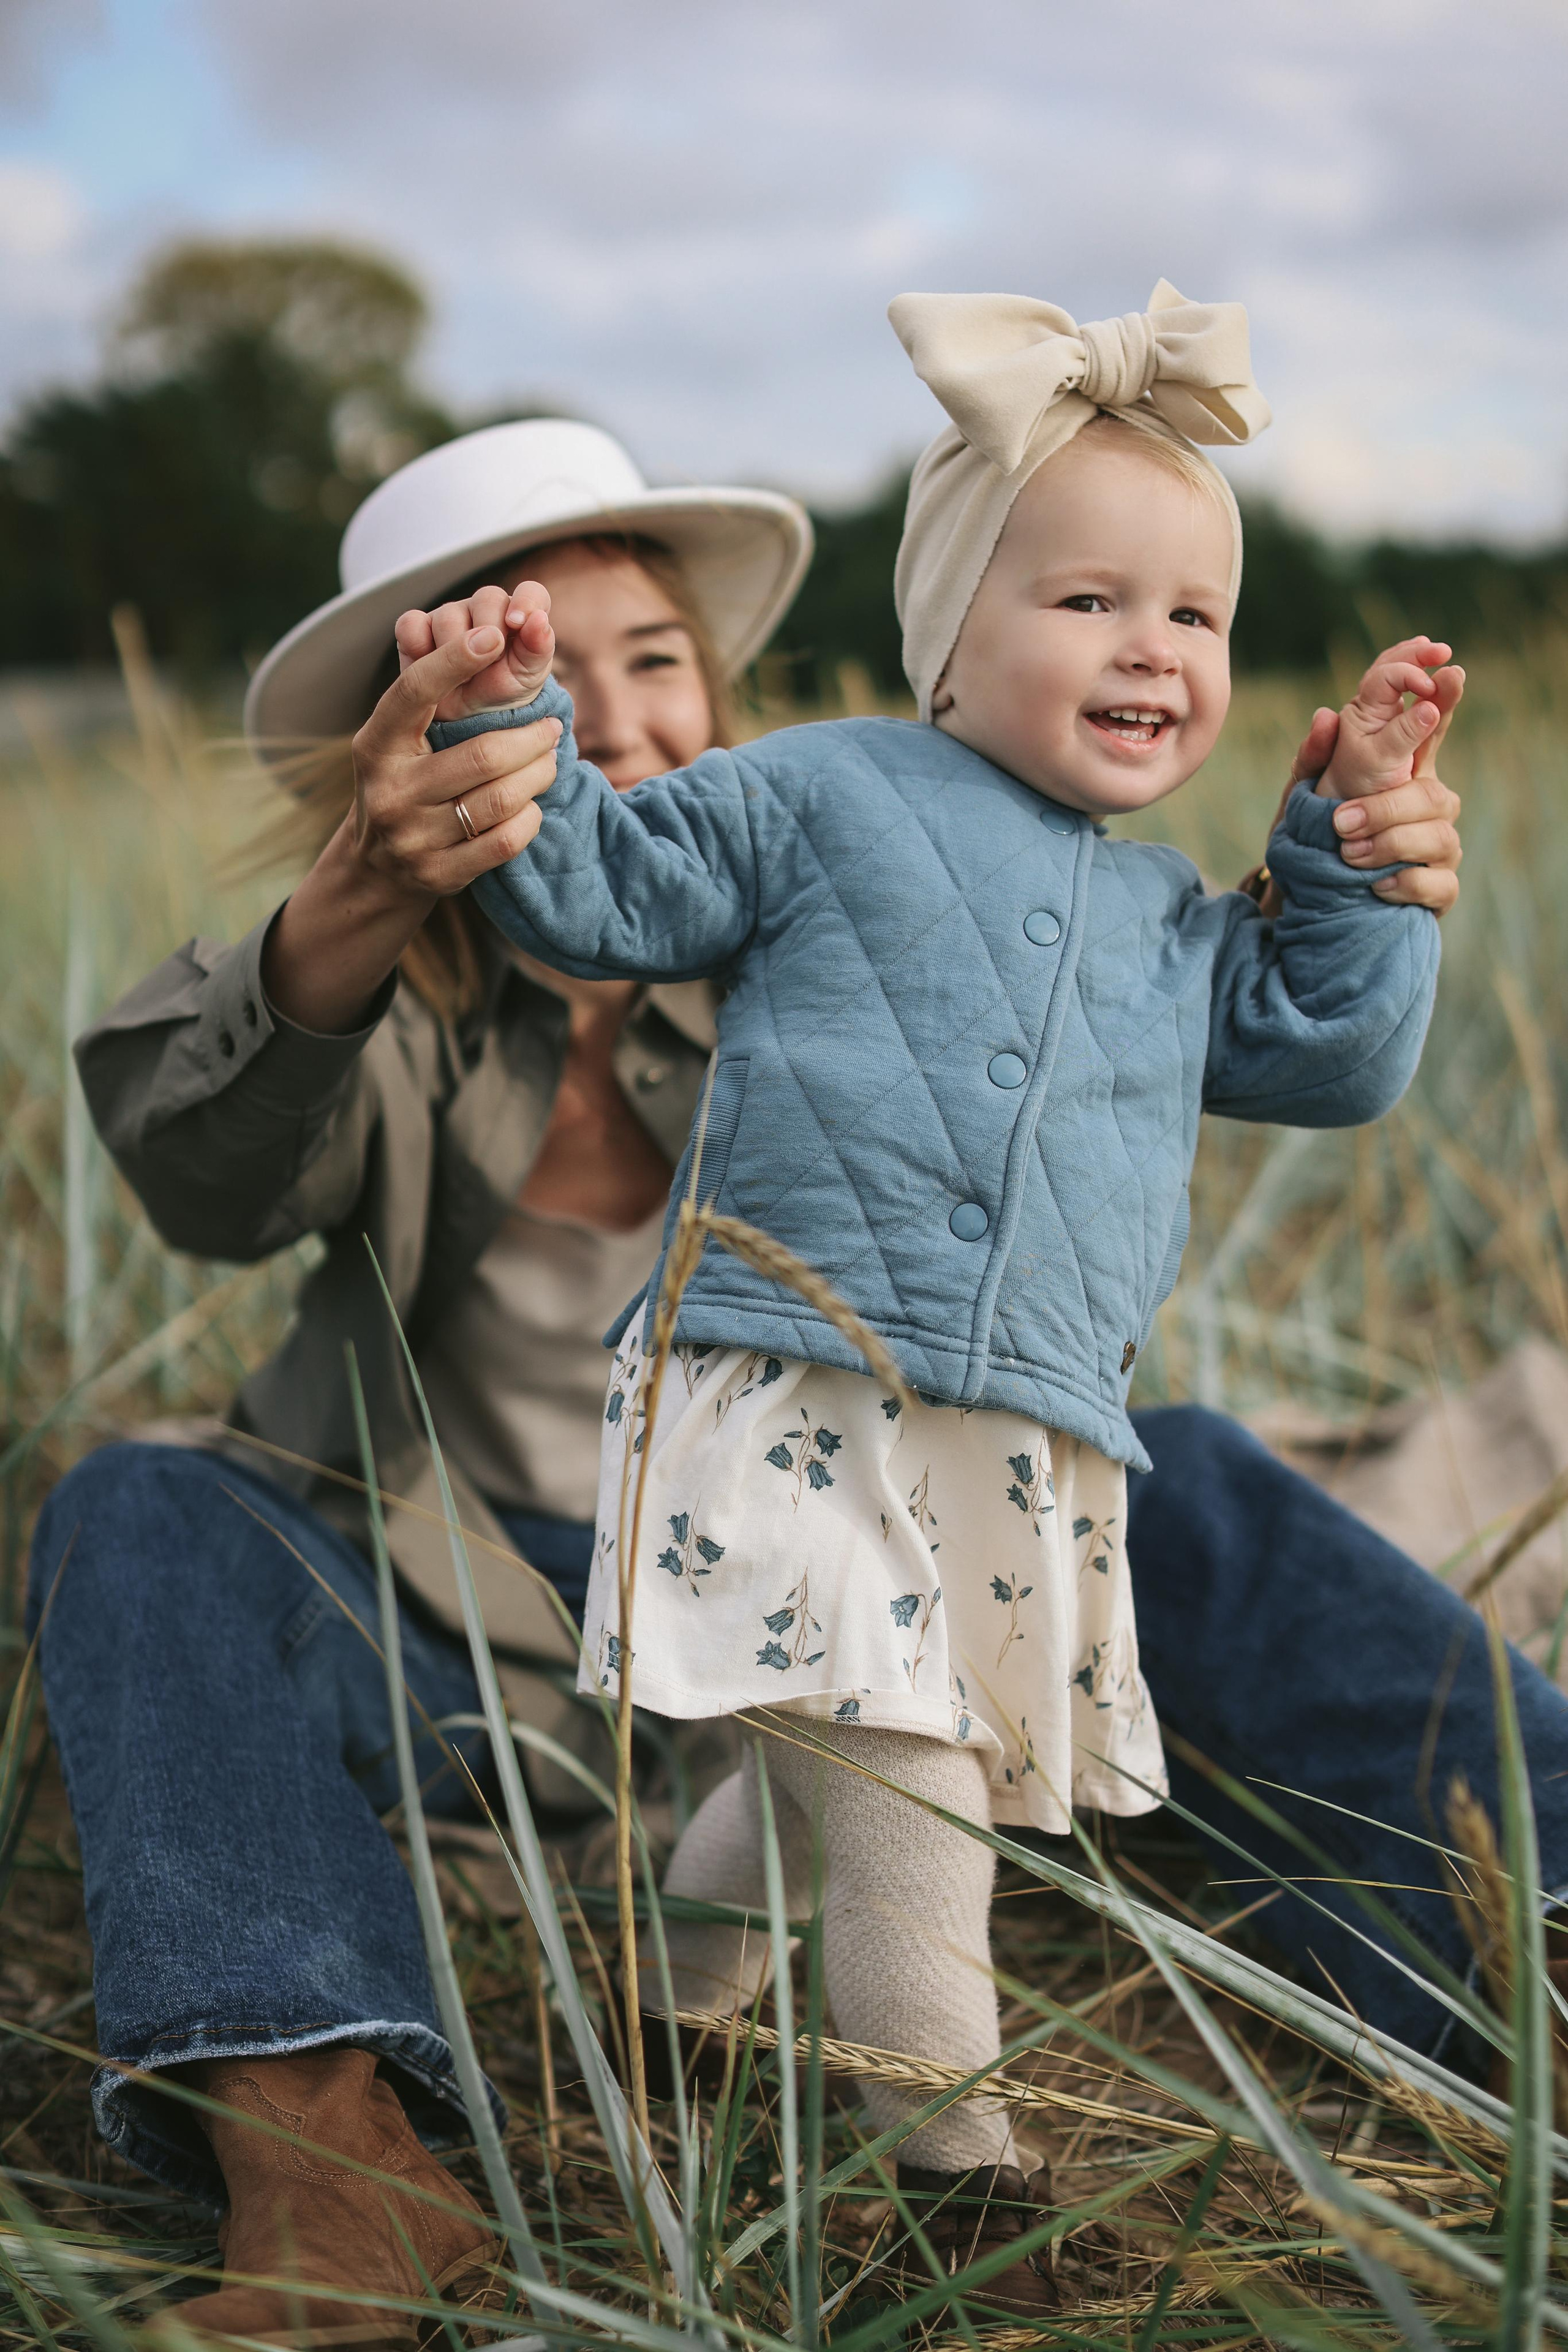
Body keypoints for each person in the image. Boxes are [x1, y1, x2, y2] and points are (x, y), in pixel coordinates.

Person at [17, 398, 1503, 2340]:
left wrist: (1359, 878)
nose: (621, 717)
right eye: (546, 662)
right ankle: (327, 2154)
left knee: (1183, 1467)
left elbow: (1254, 1037)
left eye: (657, 662)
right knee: (136, 1502)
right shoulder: (381, 987)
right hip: (476, 1639)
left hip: (865, 1582)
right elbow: (200, 1175)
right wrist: (364, 904)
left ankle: (1524, 1932)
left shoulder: (852, 887)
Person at [413, 280, 1464, 2312]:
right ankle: (960, 2179)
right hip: (795, 1374)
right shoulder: (824, 794)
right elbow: (601, 892)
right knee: (912, 1795)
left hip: (1016, 1426)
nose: (1152, 646)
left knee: (853, 1759)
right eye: (1085, 601)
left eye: (1195, 618)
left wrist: (1346, 859)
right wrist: (506, 717)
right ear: (951, 637)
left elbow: (1333, 1058)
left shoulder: (1179, 924)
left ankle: (679, 1997)